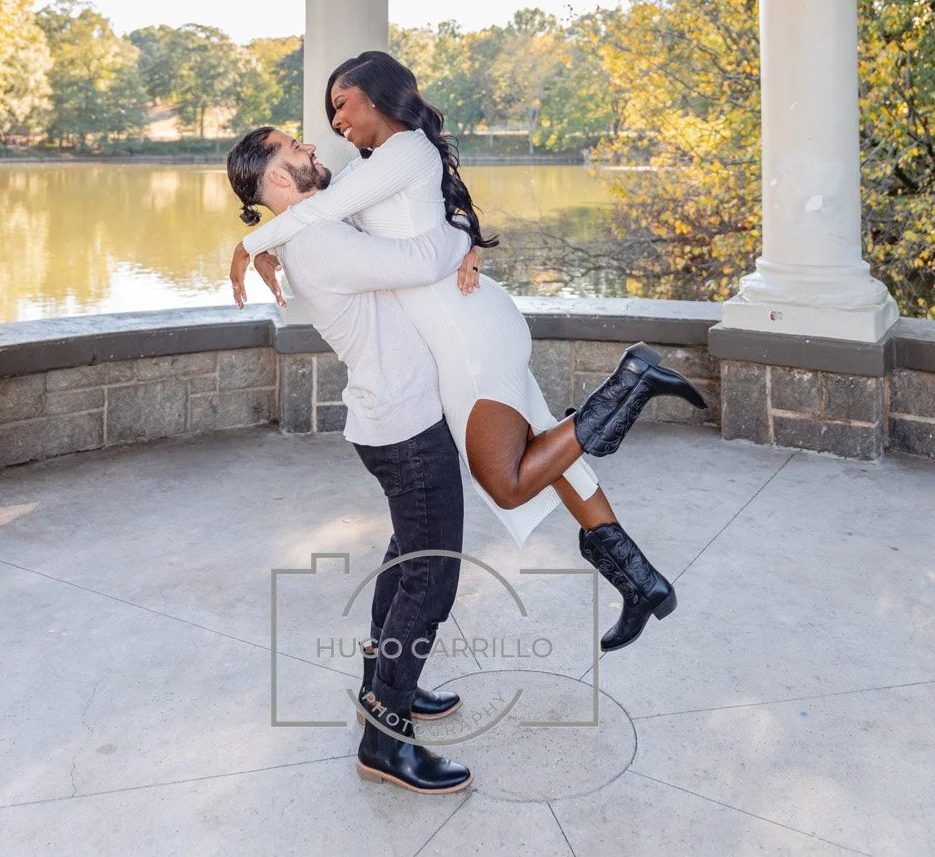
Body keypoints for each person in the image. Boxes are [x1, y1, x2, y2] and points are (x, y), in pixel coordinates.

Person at [228, 51, 707, 654]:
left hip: (464, 333)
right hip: (466, 320)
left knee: (506, 481)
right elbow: (332, 214)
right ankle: (640, 583)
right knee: (547, 452)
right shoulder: (373, 164)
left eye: (340, 104)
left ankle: (632, 381)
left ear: (374, 96)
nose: (334, 121)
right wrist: (464, 237)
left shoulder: (404, 151)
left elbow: (322, 213)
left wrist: (253, 243)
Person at [229, 125, 474, 794]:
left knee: (409, 558)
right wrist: (465, 231)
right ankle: (384, 740)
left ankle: (384, 681)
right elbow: (424, 259)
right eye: (294, 149)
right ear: (279, 179)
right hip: (404, 426)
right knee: (431, 579)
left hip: (398, 417)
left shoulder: (309, 230)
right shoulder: (316, 239)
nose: (311, 147)